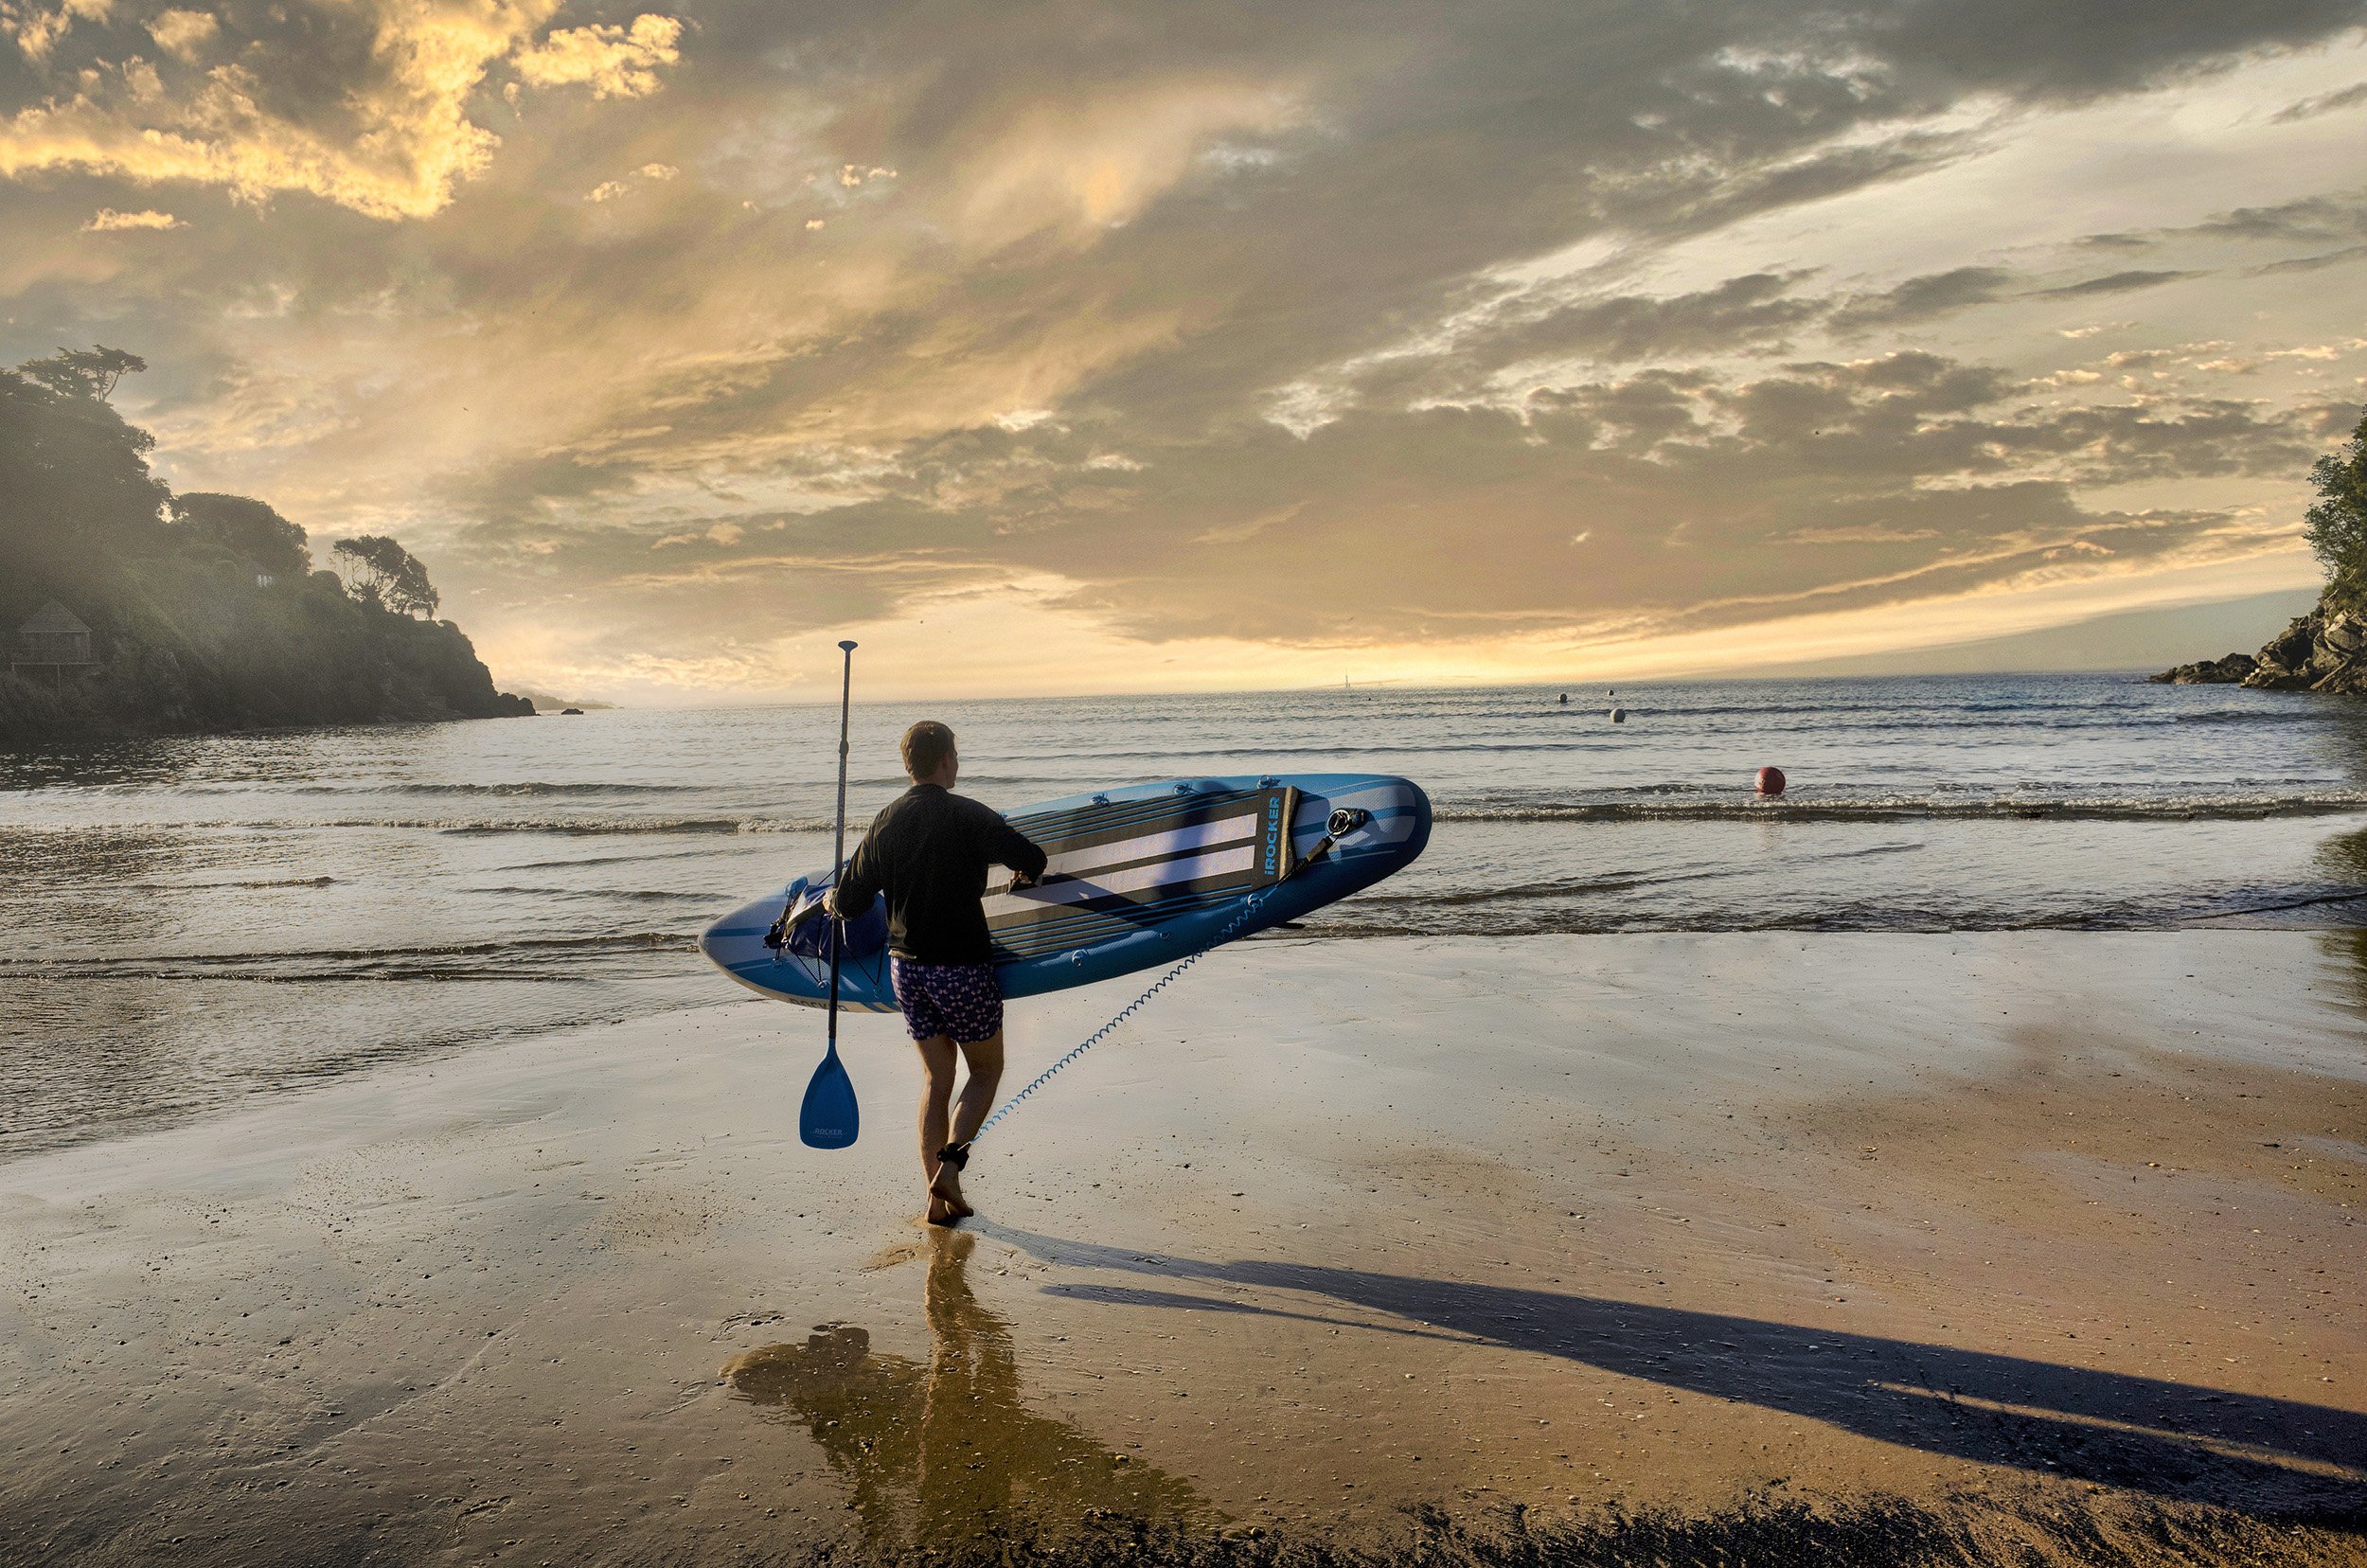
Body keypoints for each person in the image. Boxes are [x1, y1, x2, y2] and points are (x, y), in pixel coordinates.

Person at [828, 721, 1048, 1226]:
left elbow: (852, 900)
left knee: (936, 1079)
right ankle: (950, 1171)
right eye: (956, 754)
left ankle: (934, 1201)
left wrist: (830, 902)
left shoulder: (885, 821)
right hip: (962, 968)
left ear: (909, 765)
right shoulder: (969, 814)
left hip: (907, 969)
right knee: (986, 1071)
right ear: (946, 759)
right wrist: (1022, 876)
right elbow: (1032, 857)